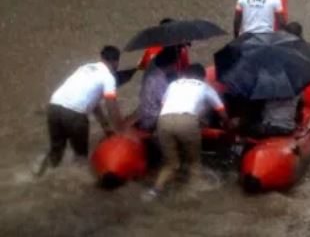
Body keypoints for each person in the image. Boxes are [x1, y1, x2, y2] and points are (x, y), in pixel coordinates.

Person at [143, 64, 230, 201]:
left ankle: (153, 192)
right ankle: (190, 195)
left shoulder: (174, 84)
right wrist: (227, 126)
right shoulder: (205, 87)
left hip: (163, 121)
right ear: (203, 77)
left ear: (186, 74)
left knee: (171, 164)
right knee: (194, 162)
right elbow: (221, 111)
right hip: (187, 122)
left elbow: (164, 104)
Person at [45, 46, 124, 168]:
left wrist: (105, 126)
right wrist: (120, 131)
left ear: (101, 58)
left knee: (56, 150)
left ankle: (39, 176)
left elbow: (92, 102)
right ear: (116, 62)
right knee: (81, 157)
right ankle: (80, 183)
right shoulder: (108, 77)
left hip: (54, 107)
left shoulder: (85, 68)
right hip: (74, 115)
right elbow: (111, 106)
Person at [132, 46, 179, 132]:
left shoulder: (153, 68)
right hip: (151, 119)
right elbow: (167, 104)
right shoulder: (159, 80)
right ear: (171, 65)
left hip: (146, 111)